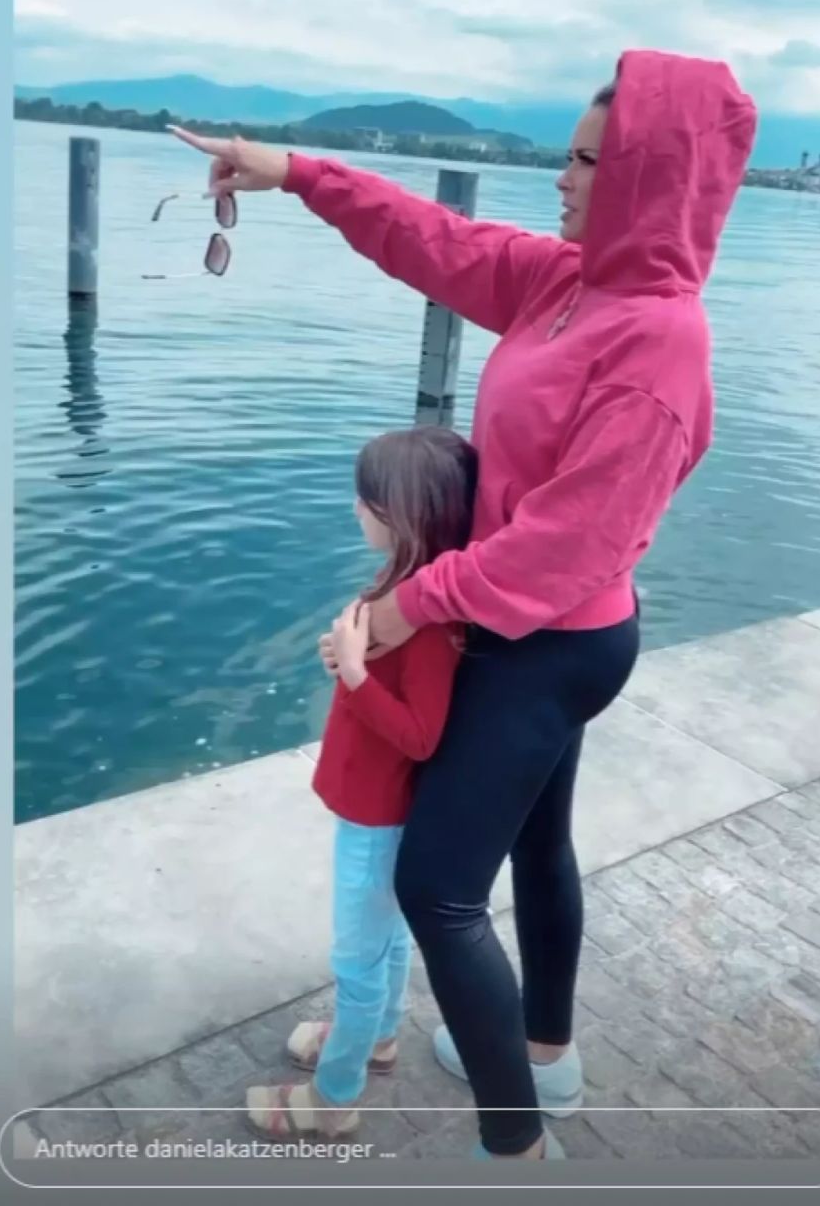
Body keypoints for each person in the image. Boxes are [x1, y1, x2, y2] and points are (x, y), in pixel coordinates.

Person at [173, 48, 758, 1160]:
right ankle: (547, 1055)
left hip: (548, 645)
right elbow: (434, 242)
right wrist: (291, 170)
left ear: (653, 177)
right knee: (538, 845)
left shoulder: (660, 340)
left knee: (437, 889)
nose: (563, 178)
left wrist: (400, 612)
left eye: (589, 161)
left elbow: (567, 548)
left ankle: (515, 1146)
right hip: (522, 629)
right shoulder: (569, 283)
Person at [244, 426, 477, 1140]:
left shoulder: (432, 626)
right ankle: (378, 1037)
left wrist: (353, 672)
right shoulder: (404, 588)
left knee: (357, 956)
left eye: (365, 500)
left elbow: (421, 735)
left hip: (378, 818)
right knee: (386, 936)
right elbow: (379, 660)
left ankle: (334, 1098)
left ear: (400, 516)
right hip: (368, 806)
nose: (355, 510)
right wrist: (347, 651)